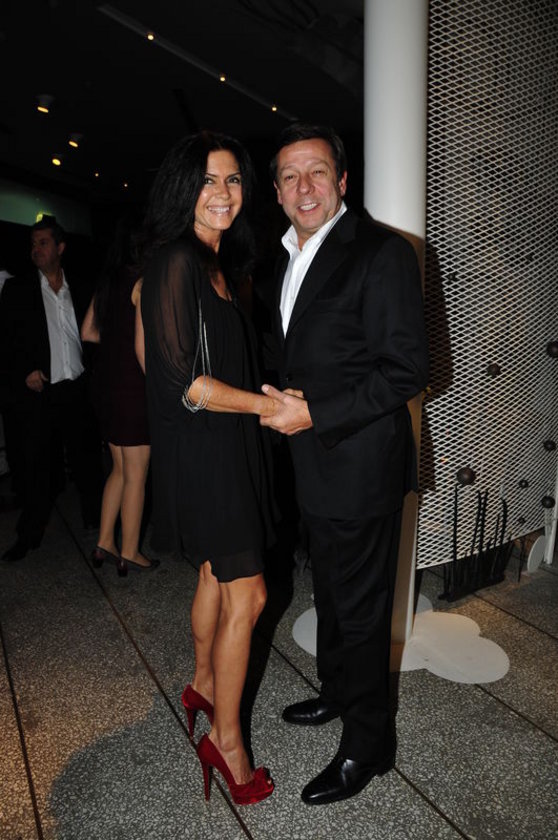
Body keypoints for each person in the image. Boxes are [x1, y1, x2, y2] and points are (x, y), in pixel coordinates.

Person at [261, 123, 429, 805]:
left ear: (342, 180)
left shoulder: (381, 252)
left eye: (317, 172)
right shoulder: (285, 255)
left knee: (360, 612)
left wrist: (315, 415)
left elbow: (406, 370)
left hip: (360, 469)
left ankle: (369, 746)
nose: (305, 187)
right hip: (313, 467)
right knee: (331, 595)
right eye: (290, 176)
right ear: (277, 192)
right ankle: (337, 692)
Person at [139, 131, 276, 805]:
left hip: (223, 446)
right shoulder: (175, 261)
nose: (222, 193)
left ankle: (200, 685)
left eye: (232, 179)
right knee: (249, 596)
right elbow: (182, 381)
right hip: (208, 454)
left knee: (217, 579)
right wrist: (268, 407)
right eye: (207, 180)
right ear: (182, 189)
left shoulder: (216, 264)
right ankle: (226, 742)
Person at [0, 217, 102, 562]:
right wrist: (24, 370)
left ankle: (95, 521)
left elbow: (94, 336)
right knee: (37, 466)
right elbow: (6, 341)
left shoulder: (81, 287)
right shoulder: (18, 290)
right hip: (42, 392)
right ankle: (28, 534)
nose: (36, 250)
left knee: (86, 460)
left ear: (60, 247)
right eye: (33, 244)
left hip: (77, 389)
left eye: (43, 243)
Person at [80, 217, 157, 576]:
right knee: (137, 474)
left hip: (107, 386)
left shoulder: (108, 281)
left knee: (119, 469)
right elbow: (147, 346)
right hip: (133, 387)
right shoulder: (143, 281)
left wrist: (116, 341)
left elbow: (88, 332)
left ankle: (104, 542)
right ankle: (129, 551)